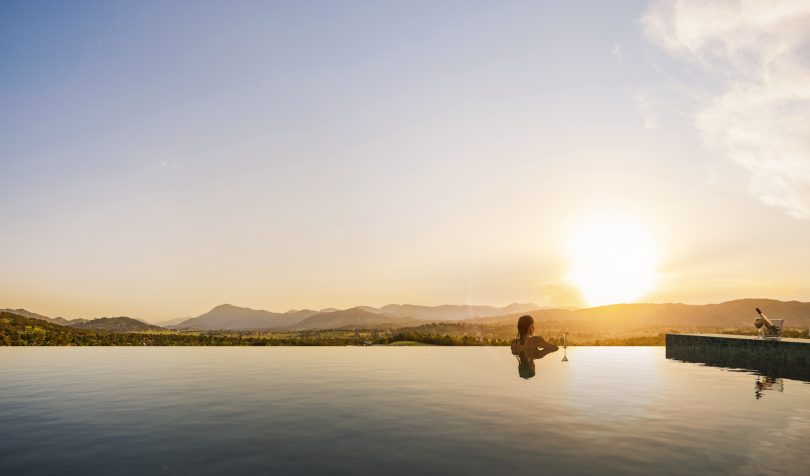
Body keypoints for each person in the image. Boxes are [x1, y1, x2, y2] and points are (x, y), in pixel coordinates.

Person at [511, 315, 559, 379]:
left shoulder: (514, 343)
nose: (534, 365)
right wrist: (541, 353)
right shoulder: (536, 340)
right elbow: (554, 348)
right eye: (533, 325)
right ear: (530, 326)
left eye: (534, 367)